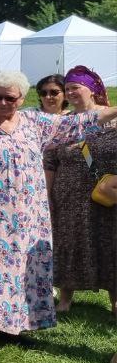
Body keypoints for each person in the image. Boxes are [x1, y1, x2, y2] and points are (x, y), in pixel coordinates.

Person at [0, 71, 117, 341]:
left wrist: (113, 111)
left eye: (9, 98)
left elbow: (83, 121)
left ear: (22, 98)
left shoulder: (34, 122)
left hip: (29, 214)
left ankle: (21, 324)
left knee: (26, 267)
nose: (2, 103)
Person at [46, 67, 116, 315]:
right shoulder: (62, 124)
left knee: (110, 244)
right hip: (68, 195)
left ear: (93, 89)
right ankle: (65, 299)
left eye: (76, 87)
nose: (70, 92)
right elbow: (50, 162)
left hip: (107, 194)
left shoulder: (113, 120)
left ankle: (115, 300)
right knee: (68, 242)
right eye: (67, 89)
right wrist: (48, 196)